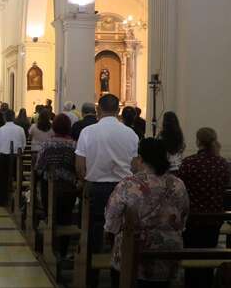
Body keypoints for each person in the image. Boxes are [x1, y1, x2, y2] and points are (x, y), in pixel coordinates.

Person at [105, 138, 189, 288]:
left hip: (133, 255)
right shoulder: (178, 184)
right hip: (168, 253)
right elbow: (182, 219)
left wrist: (113, 234)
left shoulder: (128, 184)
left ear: (141, 158)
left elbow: (112, 220)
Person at [75, 94, 139, 287]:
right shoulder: (131, 134)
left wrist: (84, 181)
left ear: (98, 110)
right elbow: (135, 167)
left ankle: (91, 276)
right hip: (124, 188)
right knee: (121, 232)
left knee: (94, 229)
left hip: (96, 188)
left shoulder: (88, 132)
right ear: (118, 110)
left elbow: (80, 166)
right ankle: (117, 276)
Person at [178, 128, 230, 288]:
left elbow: (180, 188)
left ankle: (191, 283)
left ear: (198, 141)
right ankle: (207, 282)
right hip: (214, 218)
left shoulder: (189, 162)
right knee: (209, 252)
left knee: (191, 255)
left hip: (193, 218)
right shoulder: (222, 163)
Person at [35, 114, 77, 259]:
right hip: (69, 188)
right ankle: (63, 252)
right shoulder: (74, 145)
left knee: (50, 215)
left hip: (49, 186)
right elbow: (79, 168)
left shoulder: (47, 144)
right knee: (66, 219)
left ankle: (51, 248)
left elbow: (39, 167)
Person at [0, 110, 26, 206]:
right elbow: (24, 144)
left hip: (4, 156)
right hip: (17, 158)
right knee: (19, 177)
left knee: (3, 179)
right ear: (14, 117)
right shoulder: (20, 129)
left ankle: (2, 200)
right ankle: (20, 200)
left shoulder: (0, 130)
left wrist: (3, 150)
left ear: (4, 118)